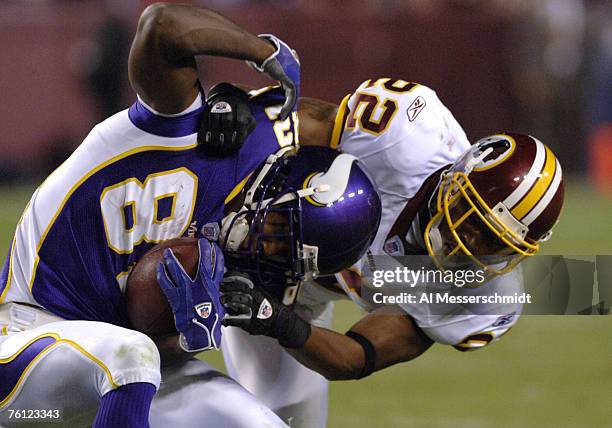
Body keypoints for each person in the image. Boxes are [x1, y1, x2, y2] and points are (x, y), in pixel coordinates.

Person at [0, 2, 305, 427]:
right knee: (130, 356)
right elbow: (162, 23)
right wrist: (265, 52)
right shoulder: (174, 125)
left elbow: (155, 336)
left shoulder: (243, 211)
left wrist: (187, 328)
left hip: (114, 374)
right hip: (24, 345)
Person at [220, 78, 565, 427]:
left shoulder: (485, 297)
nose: (471, 243)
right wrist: (243, 117)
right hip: (253, 218)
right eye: (470, 216)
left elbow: (355, 357)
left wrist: (277, 319)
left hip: (291, 295)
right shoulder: (409, 136)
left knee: (283, 420)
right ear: (455, 178)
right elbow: (298, 126)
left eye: (495, 241)